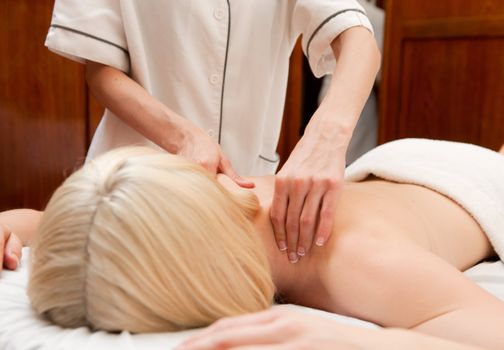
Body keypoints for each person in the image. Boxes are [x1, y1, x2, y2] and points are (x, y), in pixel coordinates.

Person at [2, 139, 504, 349]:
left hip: (476, 183)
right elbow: (69, 229)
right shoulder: (196, 211)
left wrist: (356, 340)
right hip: (396, 174)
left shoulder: (361, 262)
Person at [44, 1, 381, 262]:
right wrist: (182, 137)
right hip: (132, 188)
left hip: (242, 199)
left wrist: (326, 137)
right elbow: (101, 72)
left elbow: (358, 40)